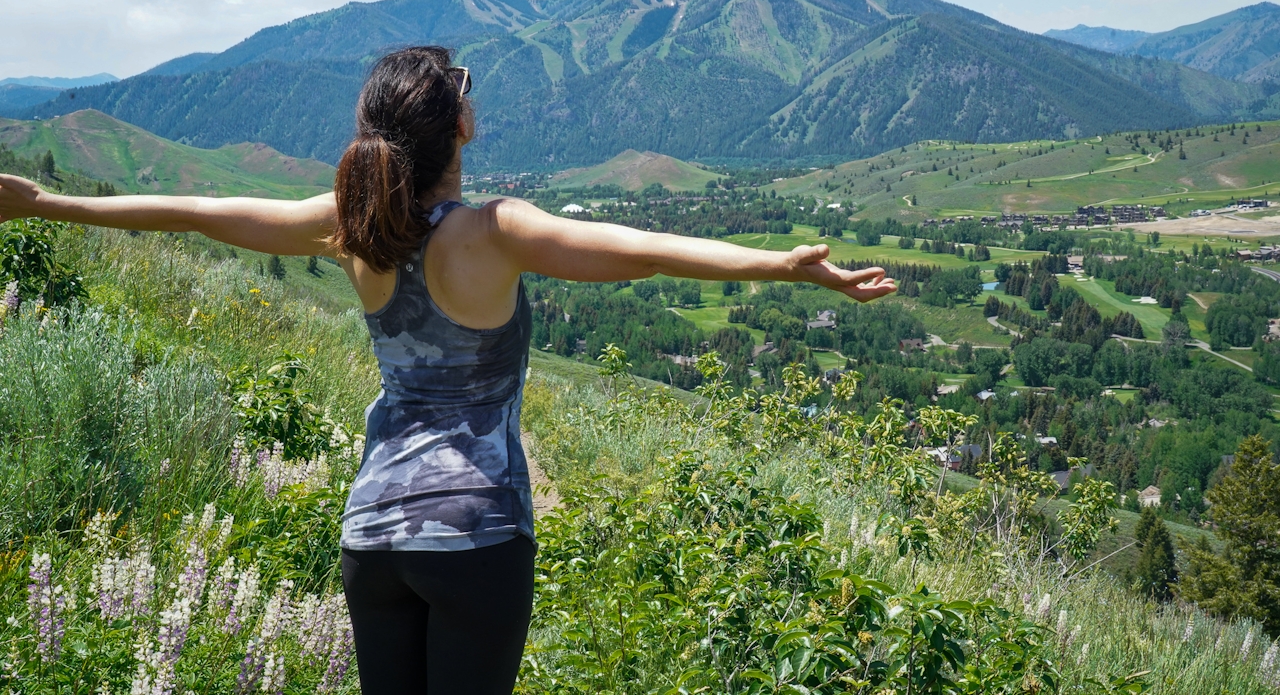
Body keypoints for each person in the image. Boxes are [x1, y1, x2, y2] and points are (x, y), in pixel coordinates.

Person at [0, 45, 897, 694]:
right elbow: (645, 251)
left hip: (373, 536)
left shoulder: (346, 223)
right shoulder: (493, 232)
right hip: (476, 533)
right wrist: (779, 263)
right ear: (459, 123)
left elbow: (196, 212)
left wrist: (44, 204)